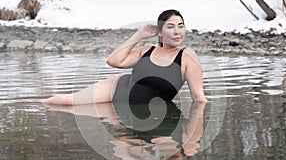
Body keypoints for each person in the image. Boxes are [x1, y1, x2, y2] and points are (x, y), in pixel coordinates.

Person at [42, 9, 207, 105]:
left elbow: (198, 97)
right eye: (170, 27)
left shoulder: (187, 57)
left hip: (142, 112)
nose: (177, 32)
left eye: (181, 26)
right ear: (159, 32)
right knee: (68, 102)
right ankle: (39, 105)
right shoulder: (147, 50)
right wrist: (138, 35)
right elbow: (114, 61)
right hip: (115, 89)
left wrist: (195, 138)